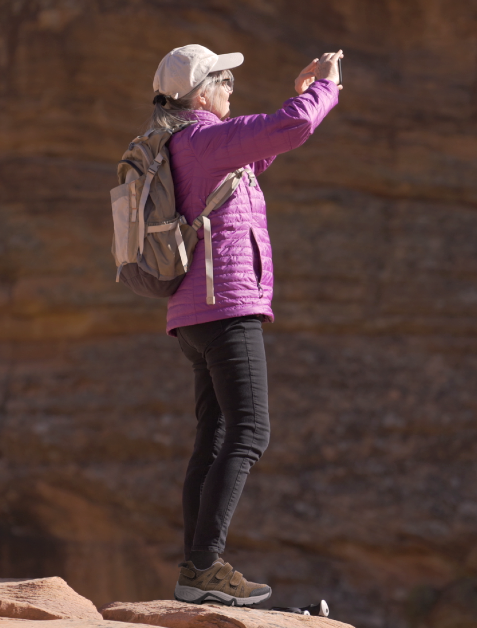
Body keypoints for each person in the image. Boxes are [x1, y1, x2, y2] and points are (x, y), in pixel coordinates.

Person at [146, 43, 342, 606]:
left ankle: (194, 570)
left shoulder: (186, 143)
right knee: (250, 432)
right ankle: (205, 567)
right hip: (226, 306)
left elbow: (260, 152)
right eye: (225, 81)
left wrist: (304, 92)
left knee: (212, 438)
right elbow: (293, 127)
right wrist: (325, 87)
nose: (232, 88)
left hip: (194, 314)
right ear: (200, 92)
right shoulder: (203, 139)